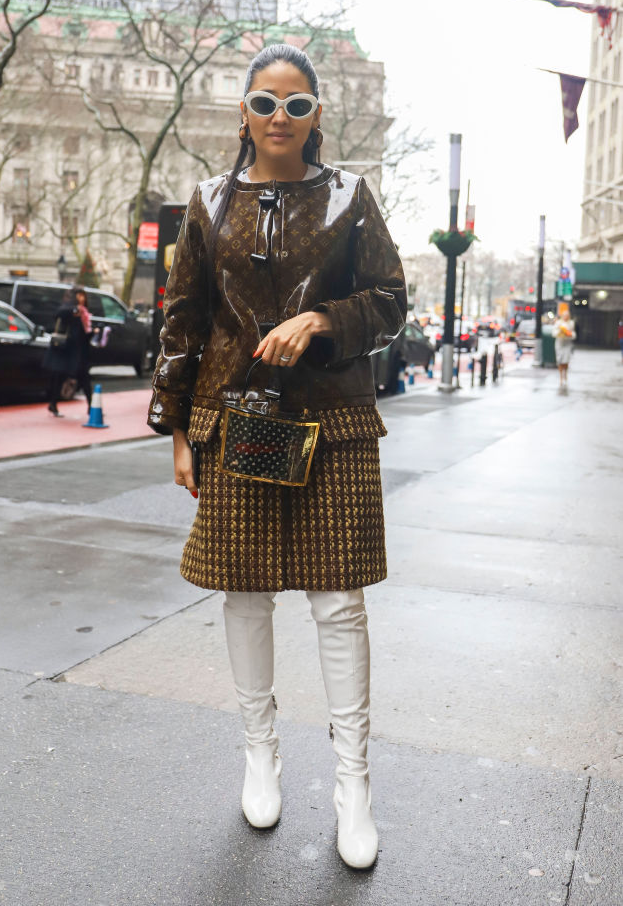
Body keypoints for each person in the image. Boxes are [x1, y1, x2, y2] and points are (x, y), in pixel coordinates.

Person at [148, 44, 407, 868]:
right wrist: (179, 426)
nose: (280, 119)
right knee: (247, 592)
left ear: (317, 115)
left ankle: (352, 786)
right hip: (239, 415)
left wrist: (323, 320)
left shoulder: (349, 196)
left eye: (297, 106)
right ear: (243, 112)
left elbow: (392, 299)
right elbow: (183, 316)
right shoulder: (206, 200)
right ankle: (260, 755)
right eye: (266, 103)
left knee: (338, 602)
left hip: (330, 419)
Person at [44, 286, 94, 416]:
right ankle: (53, 403)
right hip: (67, 350)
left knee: (84, 378)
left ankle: (91, 406)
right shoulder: (70, 309)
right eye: (79, 295)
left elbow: (85, 334)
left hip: (79, 352)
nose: (82, 298)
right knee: (60, 378)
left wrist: (93, 332)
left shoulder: (85, 313)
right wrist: (74, 309)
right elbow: (59, 313)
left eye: (83, 295)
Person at [554, 305, 576, 392]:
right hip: (559, 343)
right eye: (564, 316)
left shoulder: (571, 323)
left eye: (567, 316)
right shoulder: (558, 323)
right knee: (559, 361)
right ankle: (561, 378)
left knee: (566, 361)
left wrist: (570, 334)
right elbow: (554, 332)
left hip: (567, 343)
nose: (566, 317)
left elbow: (573, 334)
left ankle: (565, 376)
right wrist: (560, 331)